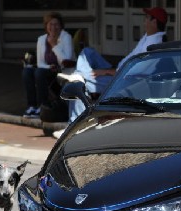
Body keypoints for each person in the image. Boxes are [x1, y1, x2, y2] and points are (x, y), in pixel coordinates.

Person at [53, 7, 168, 139]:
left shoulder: (155, 43)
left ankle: (72, 129)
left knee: (78, 85)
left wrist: (106, 72)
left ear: (154, 22)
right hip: (117, 70)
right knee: (87, 52)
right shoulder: (148, 37)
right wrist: (109, 70)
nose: (144, 21)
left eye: (147, 18)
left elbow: (136, 72)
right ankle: (81, 73)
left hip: (124, 79)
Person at [22, 12, 74, 119]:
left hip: (64, 71)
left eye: (56, 24)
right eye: (50, 24)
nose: (53, 27)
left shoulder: (66, 37)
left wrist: (54, 45)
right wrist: (48, 67)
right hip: (48, 69)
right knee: (27, 71)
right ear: (46, 26)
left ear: (61, 26)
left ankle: (43, 106)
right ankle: (32, 106)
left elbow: (66, 60)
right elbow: (40, 62)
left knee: (39, 72)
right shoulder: (41, 39)